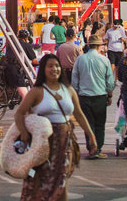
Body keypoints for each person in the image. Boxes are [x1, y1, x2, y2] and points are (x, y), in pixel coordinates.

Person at [15, 54, 96, 201]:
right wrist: (24, 133)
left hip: (65, 143)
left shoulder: (69, 90)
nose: (55, 69)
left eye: (57, 65)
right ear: (43, 69)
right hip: (43, 143)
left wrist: (91, 135)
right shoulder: (37, 91)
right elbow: (19, 113)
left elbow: (79, 114)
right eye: (50, 66)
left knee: (62, 180)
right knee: (39, 180)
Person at [71, 33, 114, 159]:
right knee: (100, 124)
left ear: (89, 45)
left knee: (88, 124)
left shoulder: (80, 59)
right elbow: (110, 81)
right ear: (99, 46)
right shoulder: (104, 60)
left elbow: (75, 79)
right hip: (100, 96)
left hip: (84, 96)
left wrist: (77, 93)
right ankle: (98, 148)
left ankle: (91, 149)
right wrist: (109, 95)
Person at [3, 29, 37, 97]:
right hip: (15, 70)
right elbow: (34, 61)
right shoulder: (27, 45)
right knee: (25, 95)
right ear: (26, 38)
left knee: (2, 85)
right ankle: (28, 106)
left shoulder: (11, 44)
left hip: (5, 67)